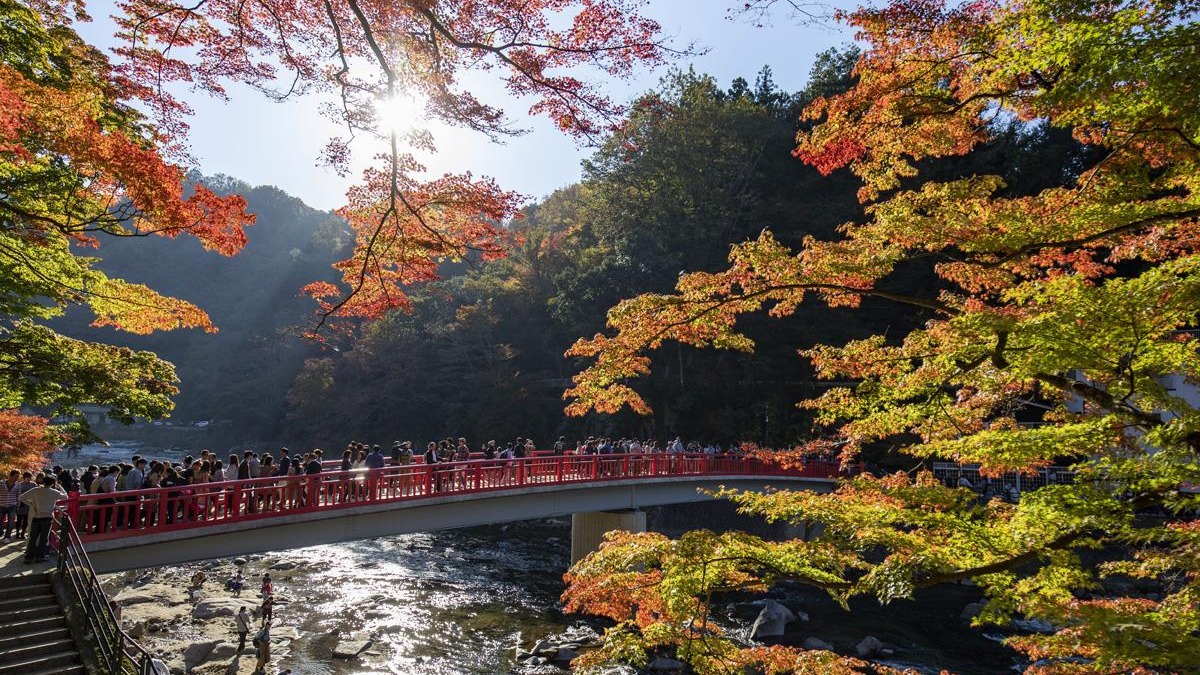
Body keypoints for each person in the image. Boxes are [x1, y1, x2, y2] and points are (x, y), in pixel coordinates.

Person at [20, 475, 66, 563]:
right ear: (53, 484)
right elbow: (66, 496)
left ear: (43, 482)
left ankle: (29, 557)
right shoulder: (54, 492)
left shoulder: (35, 490)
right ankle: (40, 556)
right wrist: (60, 486)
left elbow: (22, 497)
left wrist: (31, 505)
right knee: (43, 538)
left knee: (33, 537)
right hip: (47, 517)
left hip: (36, 516)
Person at [0, 470, 20, 541]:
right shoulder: (2, 483)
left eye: (18, 477)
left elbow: (18, 496)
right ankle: (1, 532)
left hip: (12, 506)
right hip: (1, 505)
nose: (17, 478)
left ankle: (7, 537)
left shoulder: (18, 485)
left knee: (11, 522)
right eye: (15, 476)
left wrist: (18, 506)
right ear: (11, 476)